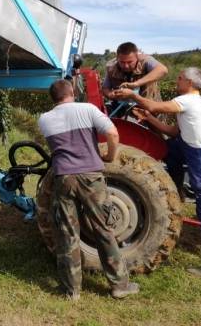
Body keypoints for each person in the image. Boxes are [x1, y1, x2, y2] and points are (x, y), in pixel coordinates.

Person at [112, 67, 201, 277]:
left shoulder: (188, 101)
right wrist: (149, 118)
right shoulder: (198, 103)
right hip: (198, 151)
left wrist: (133, 95)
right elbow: (173, 132)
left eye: (180, 78)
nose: (177, 80)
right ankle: (176, 190)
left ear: (189, 83)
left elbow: (155, 105)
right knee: (170, 149)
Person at [38, 79, 139, 300]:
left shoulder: (44, 119)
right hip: (91, 177)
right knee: (103, 229)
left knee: (67, 233)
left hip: (64, 178)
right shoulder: (87, 109)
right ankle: (119, 285)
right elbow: (113, 133)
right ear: (72, 92)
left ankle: (71, 290)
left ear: (52, 98)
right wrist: (110, 156)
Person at [102, 42, 168, 102]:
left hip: (150, 105)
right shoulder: (111, 67)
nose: (126, 66)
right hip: (122, 107)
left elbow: (163, 70)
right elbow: (105, 88)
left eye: (130, 62)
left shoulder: (146, 61)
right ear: (117, 58)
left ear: (137, 57)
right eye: (122, 62)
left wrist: (136, 84)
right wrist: (111, 95)